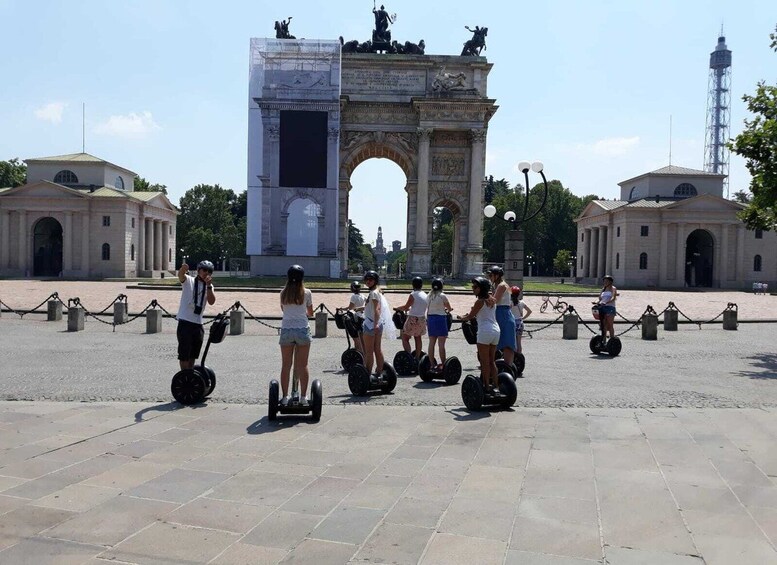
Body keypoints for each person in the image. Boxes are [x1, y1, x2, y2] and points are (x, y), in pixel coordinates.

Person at [279, 265, 314, 406]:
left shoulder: (283, 293)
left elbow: (283, 309)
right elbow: (310, 312)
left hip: (287, 329)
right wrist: (303, 314)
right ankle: (304, 397)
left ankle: (285, 397)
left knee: (286, 365)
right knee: (303, 364)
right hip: (302, 329)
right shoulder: (306, 292)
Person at [458, 277, 500, 394]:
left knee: (484, 362)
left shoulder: (479, 302)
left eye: (475, 287)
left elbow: (470, 316)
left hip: (485, 332)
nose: (473, 289)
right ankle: (496, 386)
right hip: (496, 331)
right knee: (492, 361)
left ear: (481, 289)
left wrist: (461, 317)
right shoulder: (492, 299)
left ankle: (486, 386)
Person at [176, 260, 216, 371]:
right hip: (185, 322)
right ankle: (184, 376)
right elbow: (181, 276)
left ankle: (190, 375)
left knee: (193, 355)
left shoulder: (210, 286)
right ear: (198, 270)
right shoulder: (189, 280)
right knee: (184, 355)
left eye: (209, 272)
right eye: (204, 270)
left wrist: (208, 286)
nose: (206, 273)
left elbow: (212, 301)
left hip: (198, 324)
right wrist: (182, 270)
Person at [362, 270, 396, 377]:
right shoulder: (377, 292)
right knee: (377, 348)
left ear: (375, 281)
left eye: (371, 279)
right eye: (367, 279)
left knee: (369, 351)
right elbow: (372, 307)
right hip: (377, 323)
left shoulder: (373, 293)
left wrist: (375, 324)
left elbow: (377, 309)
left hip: (371, 324)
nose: (368, 281)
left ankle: (367, 373)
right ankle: (379, 371)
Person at [487, 265, 517, 368]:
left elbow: (494, 301)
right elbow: (511, 301)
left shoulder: (501, 286)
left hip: (502, 314)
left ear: (497, 276)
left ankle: (506, 366)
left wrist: (484, 297)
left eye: (491, 275)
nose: (489, 277)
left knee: (506, 344)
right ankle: (504, 365)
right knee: (504, 343)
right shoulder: (504, 285)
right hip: (504, 313)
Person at [395, 277, 428, 364]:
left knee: (405, 337)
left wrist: (397, 308)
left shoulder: (413, 294)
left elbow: (406, 307)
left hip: (413, 318)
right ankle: (417, 358)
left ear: (413, 285)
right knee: (418, 338)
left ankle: (408, 355)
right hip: (421, 318)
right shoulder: (425, 295)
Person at [426, 278, 453, 368]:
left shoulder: (429, 296)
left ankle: (432, 364)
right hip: (440, 319)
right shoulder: (442, 296)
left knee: (431, 342)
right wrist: (449, 309)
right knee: (441, 344)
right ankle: (444, 363)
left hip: (430, 318)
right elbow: (449, 308)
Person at [345, 281, 366, 355]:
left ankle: (359, 353)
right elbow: (366, 306)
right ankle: (361, 352)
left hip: (355, 318)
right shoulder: (363, 296)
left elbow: (350, 308)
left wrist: (343, 309)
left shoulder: (354, 296)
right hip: (362, 317)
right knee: (361, 337)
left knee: (355, 337)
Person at [510, 286, 532, 354]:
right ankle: (519, 356)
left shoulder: (510, 303)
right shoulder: (522, 303)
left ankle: (512, 355)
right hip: (520, 323)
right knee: (519, 342)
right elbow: (529, 311)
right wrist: (523, 318)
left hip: (512, 323)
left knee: (512, 341)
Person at [598, 275, 617, 341]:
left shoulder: (613, 288)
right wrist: (596, 302)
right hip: (602, 307)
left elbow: (613, 297)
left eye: (606, 281)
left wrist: (607, 302)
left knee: (610, 324)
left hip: (610, 308)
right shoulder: (603, 289)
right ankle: (604, 340)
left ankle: (612, 340)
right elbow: (600, 298)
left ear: (610, 282)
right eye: (604, 281)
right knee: (604, 325)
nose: (605, 282)